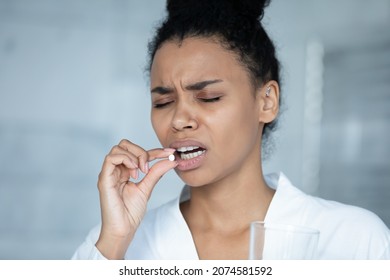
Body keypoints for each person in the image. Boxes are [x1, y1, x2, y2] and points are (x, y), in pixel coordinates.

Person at [72, 0, 390, 260]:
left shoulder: (354, 240)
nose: (179, 120)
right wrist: (114, 240)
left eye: (209, 97)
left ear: (267, 101)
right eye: (163, 102)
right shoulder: (120, 245)